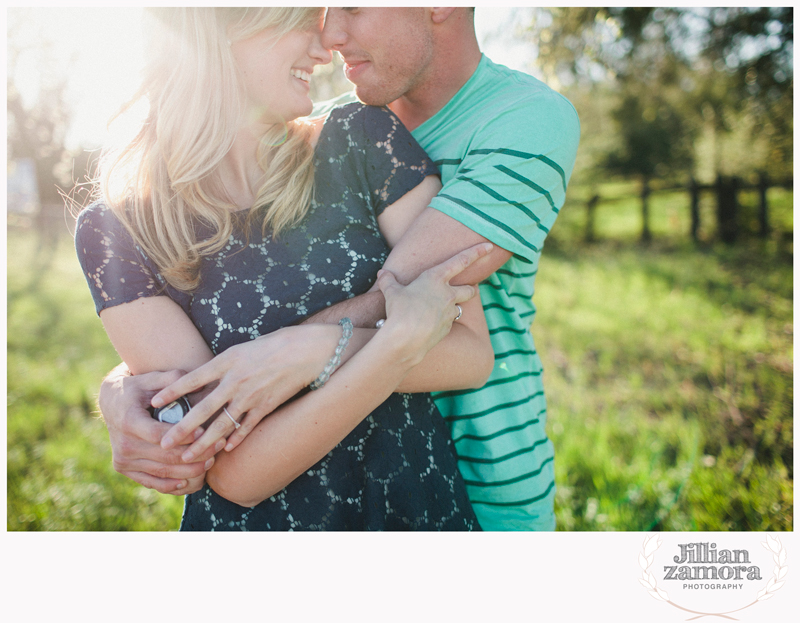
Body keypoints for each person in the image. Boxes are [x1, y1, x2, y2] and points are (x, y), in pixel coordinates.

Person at [97, 7, 581, 531]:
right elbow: (239, 313)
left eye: (351, 6)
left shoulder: (523, 119)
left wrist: (307, 351)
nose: (329, 36)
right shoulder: (316, 132)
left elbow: (401, 298)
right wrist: (132, 389)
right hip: (293, 488)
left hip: (480, 481)